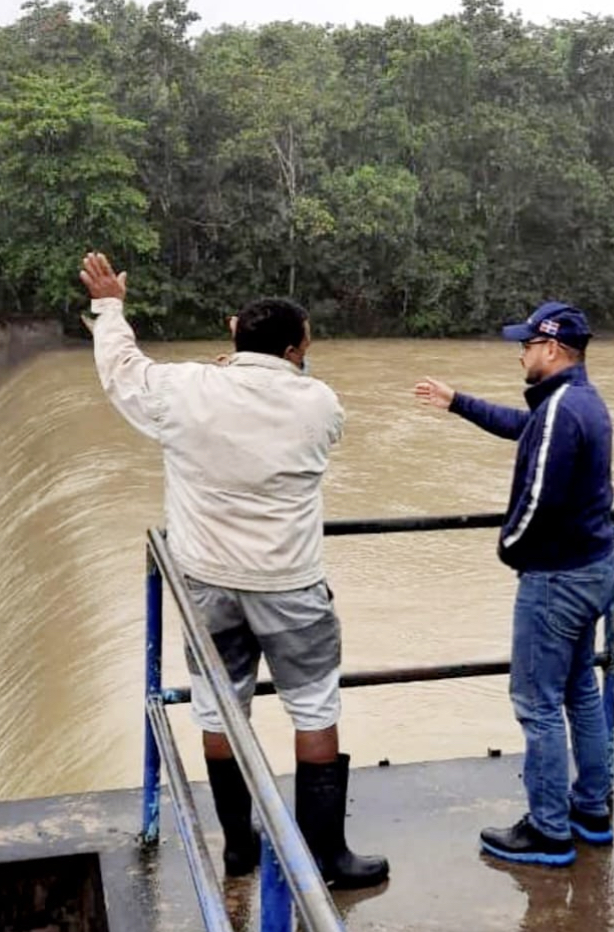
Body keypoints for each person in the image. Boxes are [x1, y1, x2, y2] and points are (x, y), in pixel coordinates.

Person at [79, 251, 388, 888]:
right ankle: (327, 857)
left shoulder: (183, 390)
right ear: (298, 346)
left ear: (232, 333)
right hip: (291, 585)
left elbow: (120, 371)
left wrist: (111, 307)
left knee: (218, 713)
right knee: (314, 708)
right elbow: (301, 412)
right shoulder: (320, 403)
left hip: (207, 583)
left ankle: (239, 847)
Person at [414, 300, 614, 867]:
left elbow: (539, 500)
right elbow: (524, 429)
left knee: (537, 701)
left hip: (557, 577)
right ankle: (591, 811)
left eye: (526, 345)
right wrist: (458, 403)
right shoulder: (580, 402)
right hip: (593, 567)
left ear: (551, 349)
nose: (521, 354)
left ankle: (549, 830)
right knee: (579, 690)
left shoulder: (561, 410)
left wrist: (509, 547)